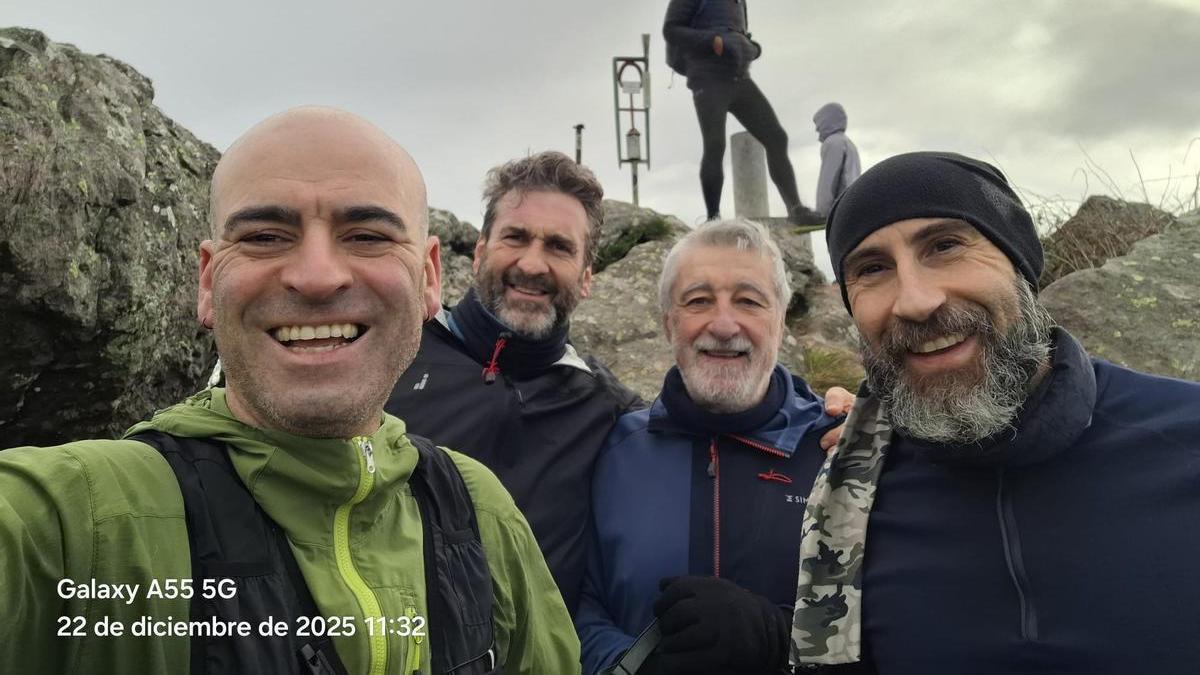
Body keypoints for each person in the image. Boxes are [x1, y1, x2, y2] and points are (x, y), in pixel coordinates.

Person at [0, 107, 580, 674]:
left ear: (429, 277)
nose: (317, 275)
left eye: (368, 235)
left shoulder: (480, 510)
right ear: (208, 280)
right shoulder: (72, 518)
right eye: (265, 236)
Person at [790, 151, 1200, 674]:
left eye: (946, 246)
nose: (915, 300)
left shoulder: (1187, 440)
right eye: (872, 269)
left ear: (1020, 263)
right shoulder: (849, 496)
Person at [576, 219, 843, 675]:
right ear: (668, 323)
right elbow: (579, 602)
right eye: (699, 301)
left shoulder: (838, 452)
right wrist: (633, 666)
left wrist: (777, 641)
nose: (723, 325)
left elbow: (894, 622)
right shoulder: (615, 450)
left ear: (779, 321)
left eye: (748, 301)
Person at [385, 151, 642, 617]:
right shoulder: (390, 356)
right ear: (480, 250)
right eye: (516, 237)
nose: (533, 263)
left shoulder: (609, 409)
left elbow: (705, 439)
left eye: (560, 247)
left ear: (586, 279)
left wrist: (816, 424)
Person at [663, 0, 822, 225]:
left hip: (739, 76)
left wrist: (751, 48)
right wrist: (712, 41)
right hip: (707, 78)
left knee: (776, 137)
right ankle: (713, 218)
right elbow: (671, 30)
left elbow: (737, 32)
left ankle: (796, 210)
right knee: (715, 145)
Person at [812, 102, 860, 217]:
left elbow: (828, 179)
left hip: (840, 210)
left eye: (818, 123)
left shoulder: (833, 143)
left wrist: (822, 212)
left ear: (826, 121)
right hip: (853, 205)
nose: (817, 129)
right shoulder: (848, 143)